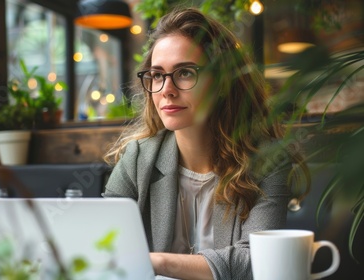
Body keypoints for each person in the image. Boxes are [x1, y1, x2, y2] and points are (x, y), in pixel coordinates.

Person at [103, 7, 308, 280]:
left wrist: (156, 261)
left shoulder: (267, 161)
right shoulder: (137, 158)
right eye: (157, 75)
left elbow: (257, 261)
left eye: (185, 73)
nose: (166, 89)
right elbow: (104, 246)